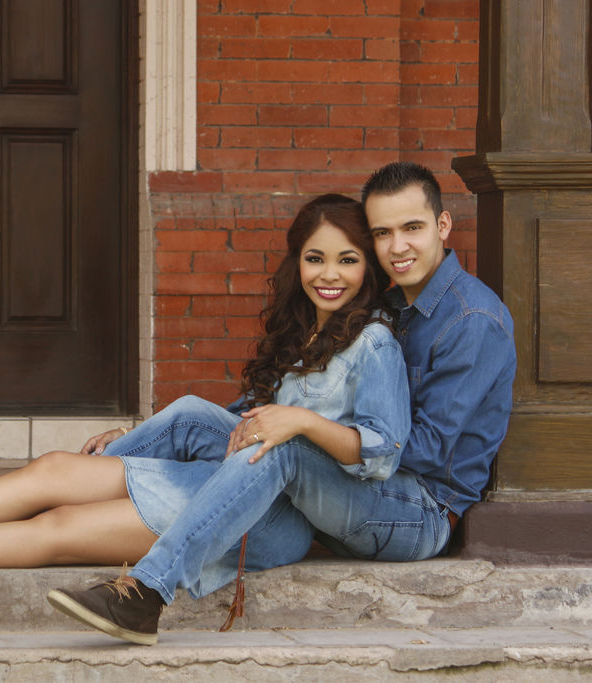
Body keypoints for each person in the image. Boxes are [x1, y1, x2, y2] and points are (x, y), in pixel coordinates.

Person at [0, 195, 410, 621]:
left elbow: (379, 450)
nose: (330, 274)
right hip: (232, 479)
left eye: (348, 260)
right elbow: (248, 417)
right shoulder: (304, 332)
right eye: (316, 258)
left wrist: (301, 421)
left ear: (368, 269)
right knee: (57, 469)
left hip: (267, 519)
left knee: (58, 529)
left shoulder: (374, 342)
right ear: (297, 262)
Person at [47, 161, 516, 645]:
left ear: (442, 225)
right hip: (349, 484)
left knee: (284, 447)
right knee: (192, 414)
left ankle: (147, 594)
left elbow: (424, 452)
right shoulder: (394, 305)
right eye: (383, 233)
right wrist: (273, 420)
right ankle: (75, 484)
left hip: (416, 511)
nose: (397, 247)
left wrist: (308, 426)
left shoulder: (471, 320)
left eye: (412, 228)